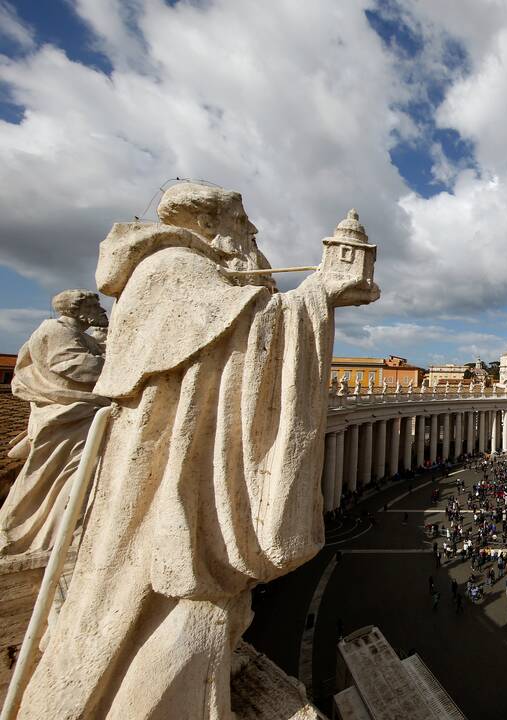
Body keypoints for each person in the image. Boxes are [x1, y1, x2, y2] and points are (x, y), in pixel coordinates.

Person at [18, 183, 381, 719]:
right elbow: (247, 335)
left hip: (170, 459)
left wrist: (311, 296)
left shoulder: (188, 271)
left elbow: (235, 332)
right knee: (149, 604)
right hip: (165, 467)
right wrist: (318, 294)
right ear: (209, 223)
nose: (253, 233)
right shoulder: (172, 268)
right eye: (244, 221)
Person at [0, 289, 108, 555]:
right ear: (78, 310)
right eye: (97, 307)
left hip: (81, 415)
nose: (103, 311)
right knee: (63, 475)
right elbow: (74, 367)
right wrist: (118, 363)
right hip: (68, 418)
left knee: (82, 474)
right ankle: (33, 534)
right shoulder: (55, 331)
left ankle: (64, 530)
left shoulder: (79, 336)